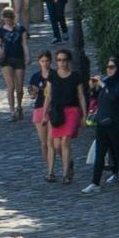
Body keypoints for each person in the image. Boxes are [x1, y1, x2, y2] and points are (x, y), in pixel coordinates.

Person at [91, 55, 119, 190]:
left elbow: (114, 97)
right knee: (100, 153)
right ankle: (95, 182)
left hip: (117, 122)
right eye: (107, 67)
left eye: (112, 67)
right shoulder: (106, 81)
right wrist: (93, 87)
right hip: (103, 121)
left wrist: (103, 85)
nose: (109, 70)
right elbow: (98, 98)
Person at [38, 56, 84, 186]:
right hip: (57, 112)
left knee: (65, 141)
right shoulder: (52, 76)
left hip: (72, 111)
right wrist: (44, 114)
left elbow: (81, 96)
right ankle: (68, 164)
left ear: (68, 61)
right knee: (56, 145)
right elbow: (48, 96)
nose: (62, 62)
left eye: (64, 60)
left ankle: (65, 175)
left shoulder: (75, 76)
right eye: (59, 60)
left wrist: (84, 115)